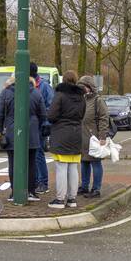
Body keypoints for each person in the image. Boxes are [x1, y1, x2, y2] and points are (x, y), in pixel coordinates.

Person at [0, 74, 46, 202]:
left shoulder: (5, 93)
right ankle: (31, 191)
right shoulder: (36, 93)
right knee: (31, 163)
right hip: (32, 133)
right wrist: (36, 127)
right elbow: (43, 114)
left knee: (13, 163)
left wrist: (3, 128)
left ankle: (15, 191)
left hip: (12, 133)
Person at [45, 70, 85, 209]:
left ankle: (60, 199)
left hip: (62, 133)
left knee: (61, 167)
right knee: (73, 167)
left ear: (64, 80)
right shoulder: (82, 97)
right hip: (76, 134)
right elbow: (82, 115)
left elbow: (51, 115)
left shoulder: (60, 95)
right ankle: (72, 199)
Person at [78, 75, 109, 198]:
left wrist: (102, 136)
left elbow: (103, 118)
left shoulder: (98, 101)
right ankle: (84, 186)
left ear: (89, 87)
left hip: (94, 138)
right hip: (82, 137)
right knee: (84, 162)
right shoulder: (81, 99)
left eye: (83, 86)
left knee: (95, 163)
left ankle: (96, 188)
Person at [31, 62, 54, 194]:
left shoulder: (44, 86)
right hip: (31, 126)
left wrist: (45, 123)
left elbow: (50, 106)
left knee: (38, 154)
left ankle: (43, 182)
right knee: (32, 154)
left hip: (40, 126)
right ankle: (34, 181)